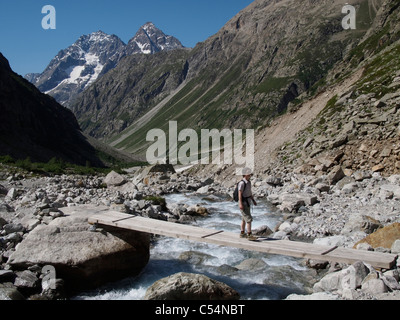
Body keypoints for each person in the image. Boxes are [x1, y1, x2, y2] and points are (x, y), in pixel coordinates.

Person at [238, 167, 257, 240]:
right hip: (243, 203)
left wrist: (253, 200)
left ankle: (242, 233)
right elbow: (240, 193)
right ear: (245, 174)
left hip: (248, 202)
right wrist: (240, 204)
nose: (250, 174)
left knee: (244, 219)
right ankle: (249, 235)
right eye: (248, 173)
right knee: (249, 219)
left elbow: (249, 192)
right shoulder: (242, 183)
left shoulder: (249, 182)